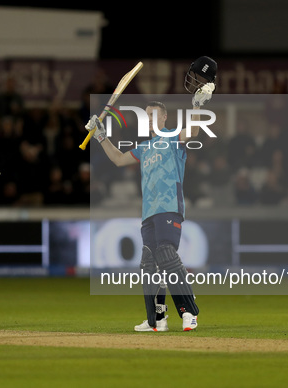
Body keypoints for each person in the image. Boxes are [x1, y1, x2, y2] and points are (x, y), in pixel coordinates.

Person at [85, 56, 217, 332]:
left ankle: (189, 312)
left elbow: (191, 131)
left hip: (170, 208)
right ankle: (157, 319)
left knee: (167, 254)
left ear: (165, 117)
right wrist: (100, 136)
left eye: (156, 114)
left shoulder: (173, 137)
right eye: (148, 115)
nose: (151, 118)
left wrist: (196, 105)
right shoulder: (144, 147)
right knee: (148, 263)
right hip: (148, 213)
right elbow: (119, 159)